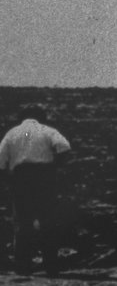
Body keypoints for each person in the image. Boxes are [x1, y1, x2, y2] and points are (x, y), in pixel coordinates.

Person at [0, 105, 71, 275]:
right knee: (47, 221)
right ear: (41, 117)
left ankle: (23, 267)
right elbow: (64, 146)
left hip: (21, 179)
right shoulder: (47, 130)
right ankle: (51, 265)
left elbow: (0, 161)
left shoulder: (12, 133)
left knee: (23, 224)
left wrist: (11, 181)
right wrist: (55, 167)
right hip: (44, 179)